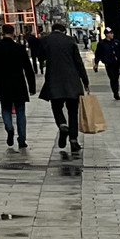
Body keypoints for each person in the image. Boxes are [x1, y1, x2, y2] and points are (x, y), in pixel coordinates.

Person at [34, 21, 91, 155]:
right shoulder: (70, 40)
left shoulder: (45, 40)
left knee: (56, 107)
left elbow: (40, 57)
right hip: (72, 81)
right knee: (73, 112)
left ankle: (62, 125)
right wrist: (85, 81)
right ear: (64, 31)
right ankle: (73, 140)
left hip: (54, 81)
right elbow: (78, 62)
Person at [0, 23, 36, 149]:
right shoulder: (19, 48)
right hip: (19, 83)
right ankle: (22, 139)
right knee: (20, 112)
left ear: (2, 33)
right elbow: (28, 68)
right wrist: (32, 86)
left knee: (6, 108)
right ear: (14, 34)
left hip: (3, 83)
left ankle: (9, 128)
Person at [94, 28, 120, 101]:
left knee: (116, 78)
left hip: (116, 63)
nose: (112, 34)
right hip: (108, 64)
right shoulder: (102, 43)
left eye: (112, 33)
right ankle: (115, 92)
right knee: (112, 78)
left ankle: (116, 92)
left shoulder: (116, 42)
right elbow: (98, 54)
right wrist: (96, 63)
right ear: (107, 34)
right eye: (111, 33)